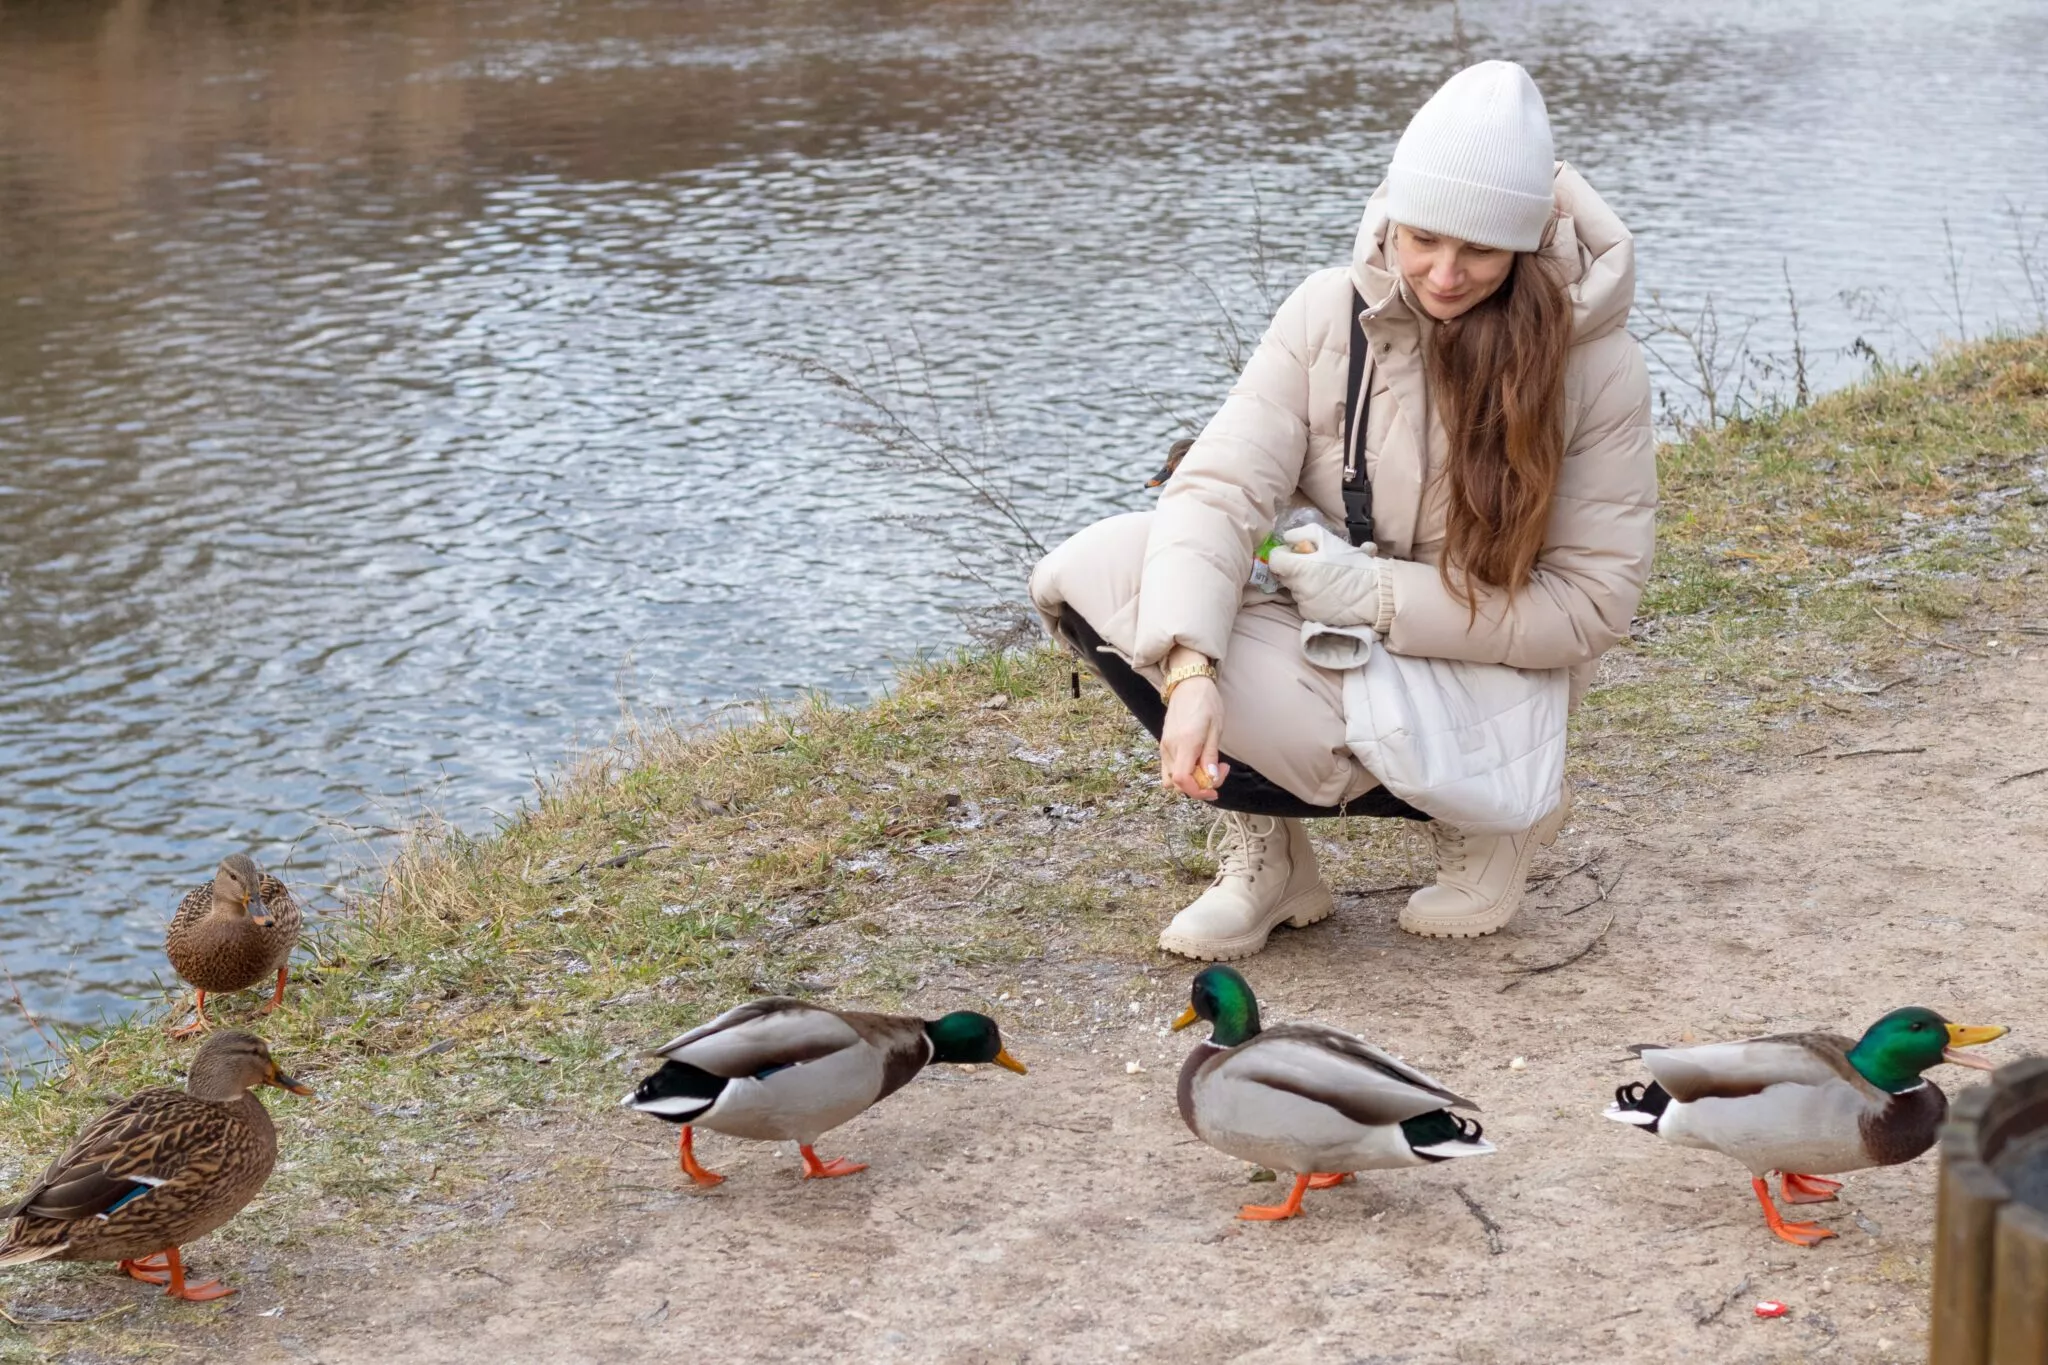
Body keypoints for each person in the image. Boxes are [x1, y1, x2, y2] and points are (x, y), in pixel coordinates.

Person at [1028, 60, 1656, 961]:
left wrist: (1381, 596)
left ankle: (1495, 823)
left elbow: (1593, 604)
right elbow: (1217, 488)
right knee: (1100, 569)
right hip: (1342, 638)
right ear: (1392, 214)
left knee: (1213, 602)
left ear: (1523, 247)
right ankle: (1272, 857)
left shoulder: (1597, 366)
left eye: (1480, 251)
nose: (1444, 274)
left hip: (1489, 666)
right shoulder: (1327, 312)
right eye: (1423, 238)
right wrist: (1192, 670)